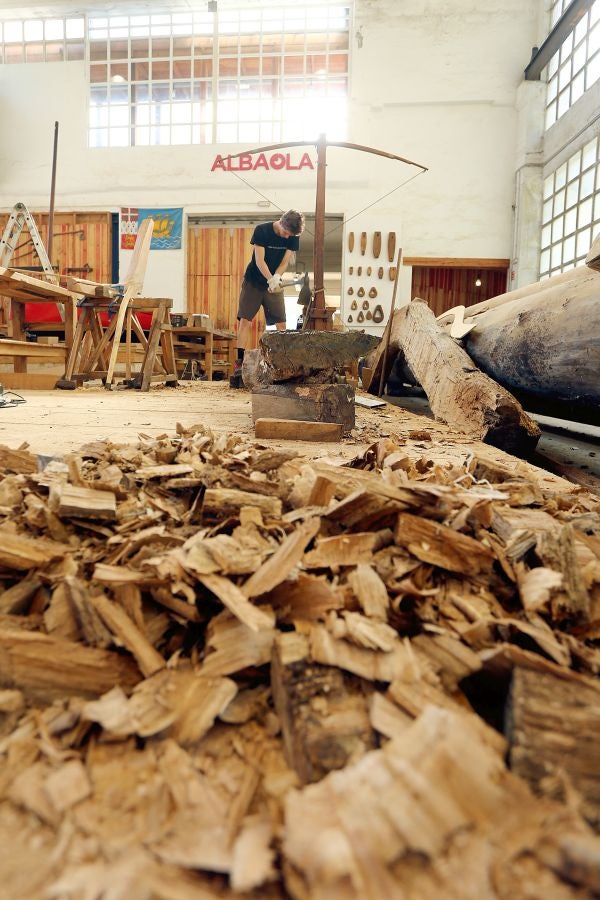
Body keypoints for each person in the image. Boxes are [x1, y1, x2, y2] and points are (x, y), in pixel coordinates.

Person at [234, 210, 305, 372]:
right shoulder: (262, 231)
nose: (288, 237)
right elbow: (259, 261)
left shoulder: (293, 236)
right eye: (286, 233)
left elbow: (285, 261)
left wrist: (277, 277)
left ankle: (286, 363)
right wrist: (270, 279)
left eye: (290, 235)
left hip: (274, 281)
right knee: (245, 321)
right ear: (281, 222)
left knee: (281, 323)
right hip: (254, 281)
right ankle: (239, 363)